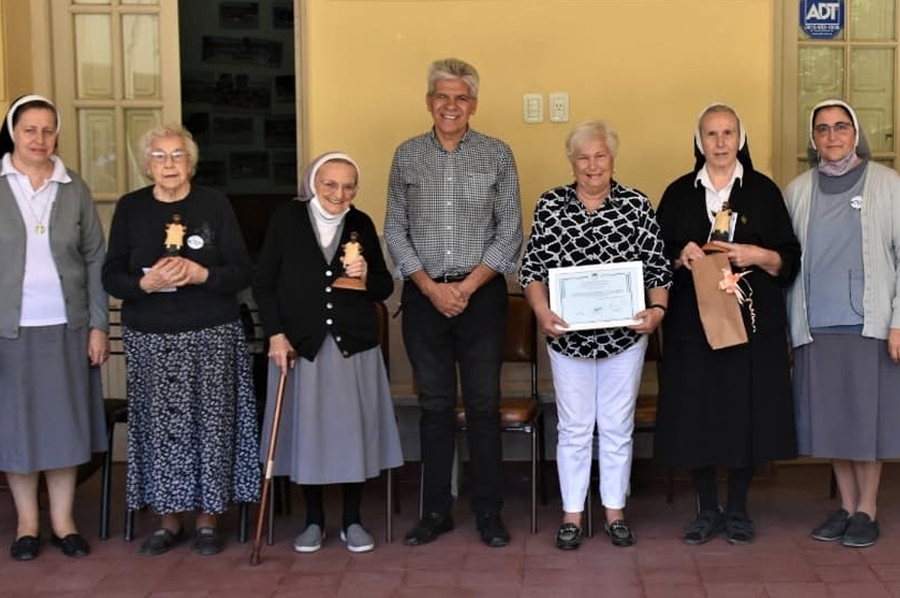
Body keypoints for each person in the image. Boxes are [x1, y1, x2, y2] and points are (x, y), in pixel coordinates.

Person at [101, 124, 259, 557]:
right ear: (146, 164)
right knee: (160, 429)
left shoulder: (214, 204)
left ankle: (208, 520)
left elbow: (243, 271)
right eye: (159, 156)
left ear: (191, 162)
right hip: (151, 337)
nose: (169, 164)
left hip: (211, 332)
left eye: (177, 155)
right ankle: (168, 521)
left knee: (212, 427)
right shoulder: (131, 208)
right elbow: (112, 275)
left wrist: (202, 274)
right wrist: (145, 282)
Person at [384, 57, 523, 548]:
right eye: (442, 96)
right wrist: (428, 286)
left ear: (474, 104)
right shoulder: (406, 156)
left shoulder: (497, 155)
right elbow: (394, 230)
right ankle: (436, 511)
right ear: (428, 102)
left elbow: (510, 232)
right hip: (424, 298)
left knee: (484, 406)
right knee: (435, 407)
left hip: (481, 297)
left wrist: (466, 287)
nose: (451, 105)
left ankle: (489, 512)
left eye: (461, 97)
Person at [519, 120, 671, 549]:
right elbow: (532, 270)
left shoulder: (636, 205)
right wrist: (541, 310)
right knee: (574, 427)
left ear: (612, 159)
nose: (592, 166)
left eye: (599, 156)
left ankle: (614, 513)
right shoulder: (550, 205)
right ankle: (571, 515)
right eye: (583, 157)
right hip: (567, 338)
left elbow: (658, 269)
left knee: (617, 426)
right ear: (571, 162)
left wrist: (657, 311)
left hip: (624, 339)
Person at [654, 103, 800, 546]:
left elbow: (789, 258)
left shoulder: (763, 191)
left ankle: (737, 508)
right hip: (692, 326)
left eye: (728, 133)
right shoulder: (679, 193)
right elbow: (656, 255)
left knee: (745, 412)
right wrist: (683, 254)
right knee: (697, 411)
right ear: (699, 142)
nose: (720, 143)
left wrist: (757, 255)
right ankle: (707, 509)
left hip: (753, 325)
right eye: (711, 134)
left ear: (741, 139)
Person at [252, 152, 403, 554]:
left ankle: (352, 519)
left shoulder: (362, 223)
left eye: (349, 185)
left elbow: (385, 287)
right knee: (310, 435)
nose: (340, 193)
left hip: (353, 346)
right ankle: (313, 520)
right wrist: (277, 336)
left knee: (352, 434)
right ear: (314, 183)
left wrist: (368, 275)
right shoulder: (287, 219)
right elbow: (264, 283)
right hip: (301, 346)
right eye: (331, 184)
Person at [785, 99, 900, 549]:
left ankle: (868, 508)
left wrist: (898, 323)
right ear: (813, 140)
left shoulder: (887, 184)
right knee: (831, 421)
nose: (832, 137)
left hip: (869, 324)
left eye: (841, 127)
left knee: (866, 423)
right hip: (816, 323)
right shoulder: (797, 191)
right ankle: (847, 507)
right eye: (823, 129)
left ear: (855, 134)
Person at [0, 94, 108, 561]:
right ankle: (27, 524)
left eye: (48, 130)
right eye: (30, 130)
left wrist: (98, 326)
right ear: (13, 133)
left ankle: (63, 522)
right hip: (10, 331)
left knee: (64, 428)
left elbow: (95, 259)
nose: (40, 139)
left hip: (67, 326)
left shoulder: (73, 187)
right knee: (16, 429)